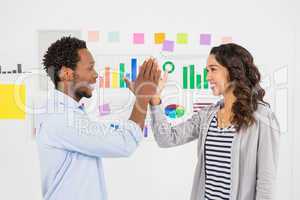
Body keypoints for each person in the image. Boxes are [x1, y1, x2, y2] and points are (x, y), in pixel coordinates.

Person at [127, 43, 280, 200]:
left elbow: (266, 184)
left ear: (234, 72)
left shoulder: (262, 118)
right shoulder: (207, 116)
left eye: (213, 69)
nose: (207, 77)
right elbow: (166, 139)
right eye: (207, 71)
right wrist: (155, 99)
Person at [36, 36, 161, 200]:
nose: (96, 75)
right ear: (67, 73)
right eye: (90, 68)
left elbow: (115, 136)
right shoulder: (61, 118)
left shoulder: (69, 113)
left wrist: (140, 98)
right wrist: (142, 97)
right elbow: (125, 144)